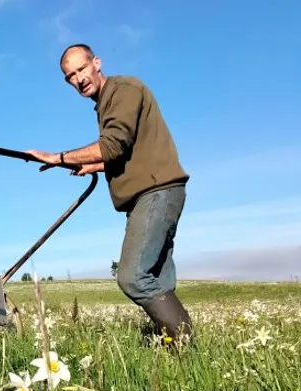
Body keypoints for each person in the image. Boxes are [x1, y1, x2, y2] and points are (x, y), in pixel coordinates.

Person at [26, 43, 193, 345]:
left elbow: (114, 144)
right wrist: (95, 167)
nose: (78, 78)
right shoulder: (106, 101)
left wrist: (57, 157)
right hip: (154, 193)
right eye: (70, 76)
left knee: (132, 277)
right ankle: (179, 354)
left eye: (82, 69)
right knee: (157, 279)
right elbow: (126, 151)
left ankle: (187, 344)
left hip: (155, 193)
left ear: (97, 63)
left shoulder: (122, 89)